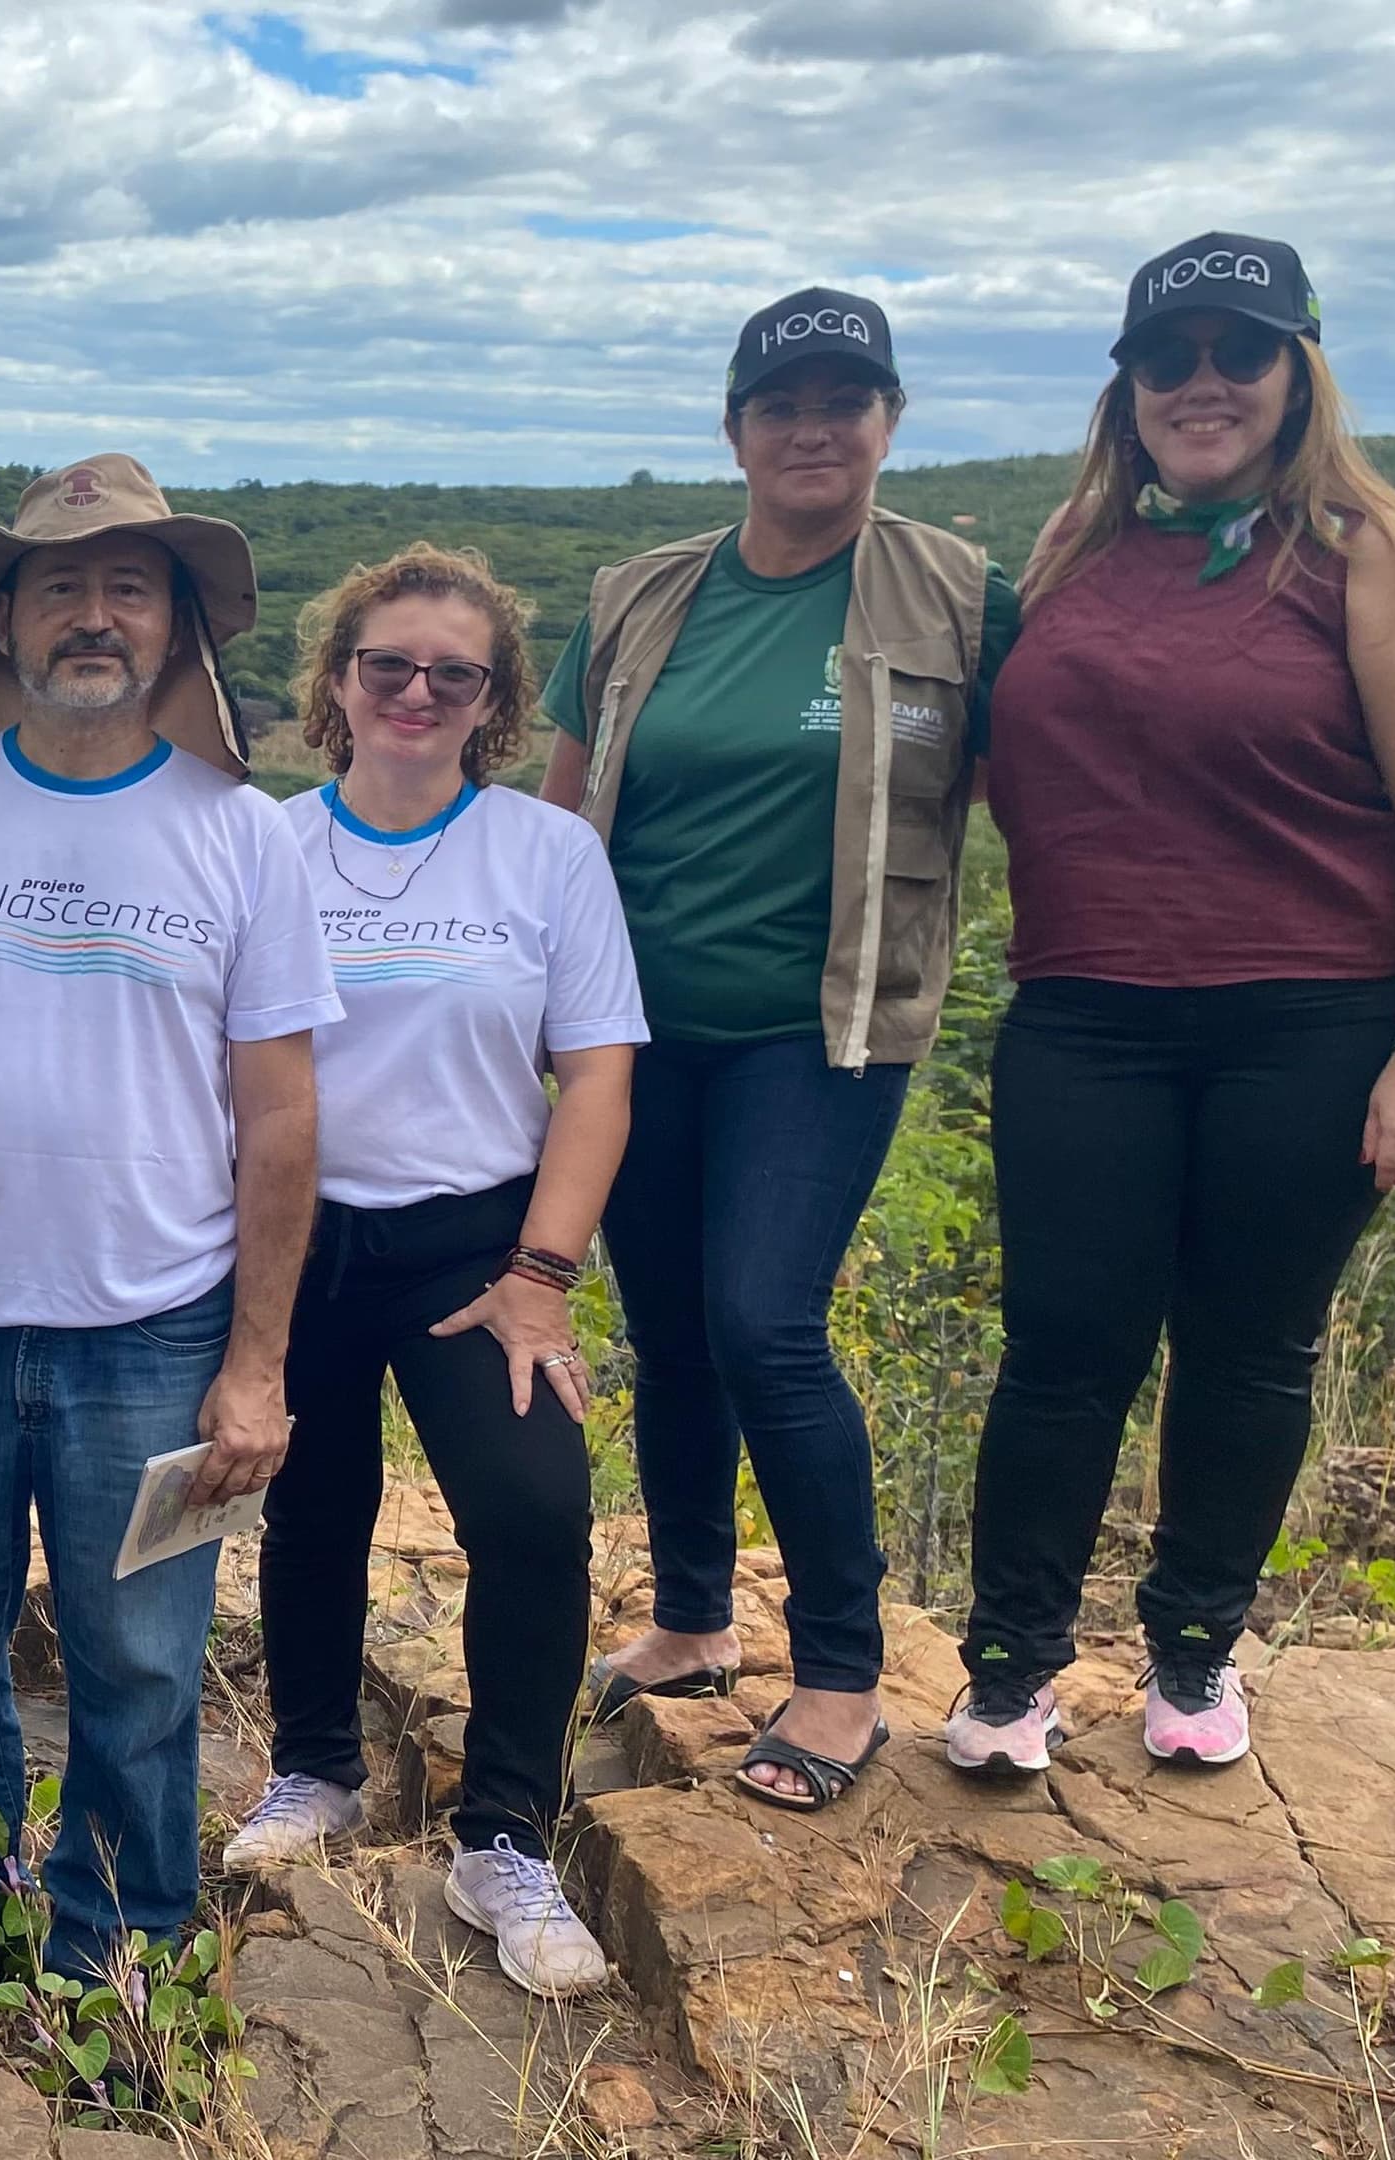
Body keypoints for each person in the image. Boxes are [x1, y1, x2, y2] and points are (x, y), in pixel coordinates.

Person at [948, 235, 1395, 1775]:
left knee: (1251, 1347)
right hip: (1085, 1013)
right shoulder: (1070, 551)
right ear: (1125, 386)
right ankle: (1010, 1669)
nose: (1202, 383)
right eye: (1166, 356)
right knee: (1064, 1347)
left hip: (1310, 1022)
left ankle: (1195, 1654)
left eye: (1237, 354)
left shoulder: (1371, 552)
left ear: (1297, 374)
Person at [0, 454, 331, 1993]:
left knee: (145, 1673)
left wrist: (258, 1364)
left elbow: (282, 1121)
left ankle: (120, 1967)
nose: (93, 615)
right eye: (59, 587)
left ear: (174, 625)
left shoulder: (245, 833)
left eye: (128, 587)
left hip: (157, 1335)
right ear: (6, 621)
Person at [543, 287, 1017, 1812]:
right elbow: (561, 821)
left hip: (825, 1031)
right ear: (735, 427)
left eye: (845, 399)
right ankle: (691, 1618)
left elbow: (1082, 782)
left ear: (890, 420)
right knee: (671, 1328)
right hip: (632, 1030)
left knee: (766, 1323)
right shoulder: (639, 597)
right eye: (782, 402)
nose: (813, 427)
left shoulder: (958, 598)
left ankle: (839, 1672)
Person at [220, 544, 641, 1998]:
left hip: (478, 1240)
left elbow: (595, 1078)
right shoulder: (263, 844)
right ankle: (318, 1766)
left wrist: (545, 1271)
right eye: (386, 664)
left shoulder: (545, 854)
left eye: (451, 674)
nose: (415, 691)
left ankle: (506, 1833)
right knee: (312, 1508)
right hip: (303, 1235)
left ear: (492, 701)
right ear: (338, 683)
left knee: (534, 1515)